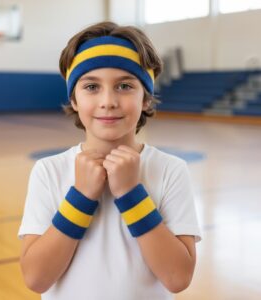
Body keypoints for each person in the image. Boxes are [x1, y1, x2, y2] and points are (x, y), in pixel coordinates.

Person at [18, 21, 201, 300]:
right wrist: (80, 197)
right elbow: (36, 277)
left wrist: (131, 194)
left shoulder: (170, 170)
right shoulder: (49, 171)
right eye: (91, 86)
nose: (108, 101)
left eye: (125, 86)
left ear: (146, 100)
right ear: (74, 99)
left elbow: (177, 278)